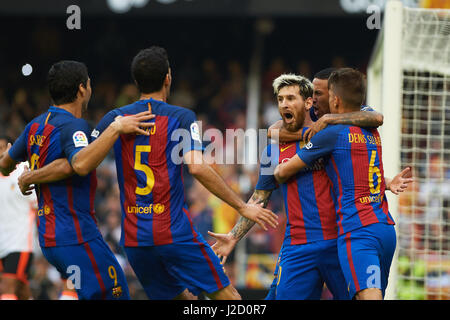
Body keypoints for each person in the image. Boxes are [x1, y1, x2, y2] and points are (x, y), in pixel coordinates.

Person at [20, 47, 278, 300]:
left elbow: (78, 162)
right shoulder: (182, 117)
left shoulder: (114, 118)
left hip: (135, 241)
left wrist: (32, 175)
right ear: (168, 77)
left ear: (135, 82)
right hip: (174, 234)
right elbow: (197, 166)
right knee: (228, 296)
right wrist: (242, 207)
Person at [209, 72, 412, 300]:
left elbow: (356, 167)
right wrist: (234, 237)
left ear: (308, 103)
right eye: (280, 99)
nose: (284, 104)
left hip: (337, 242)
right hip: (297, 246)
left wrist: (384, 182)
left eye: (291, 98)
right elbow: (259, 197)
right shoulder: (272, 151)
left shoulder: (334, 135)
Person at [0, 60, 154, 300]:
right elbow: (80, 163)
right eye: (90, 83)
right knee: (116, 292)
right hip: (76, 234)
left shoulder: (34, 126)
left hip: (51, 238)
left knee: (85, 292)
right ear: (82, 89)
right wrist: (115, 129)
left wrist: (24, 169)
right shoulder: (74, 127)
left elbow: (5, 164)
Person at [274, 68, 399, 300]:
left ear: (335, 99)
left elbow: (282, 172)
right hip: (385, 228)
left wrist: (280, 167)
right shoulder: (368, 125)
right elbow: (272, 132)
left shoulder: (332, 133)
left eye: (323, 93)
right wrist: (386, 182)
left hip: (357, 231)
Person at [0, 136, 37, 300]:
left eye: (2, 147)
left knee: (7, 288)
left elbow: (38, 203)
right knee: (21, 290)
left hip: (20, 243)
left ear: (11, 148)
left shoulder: (24, 170)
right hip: (2, 243)